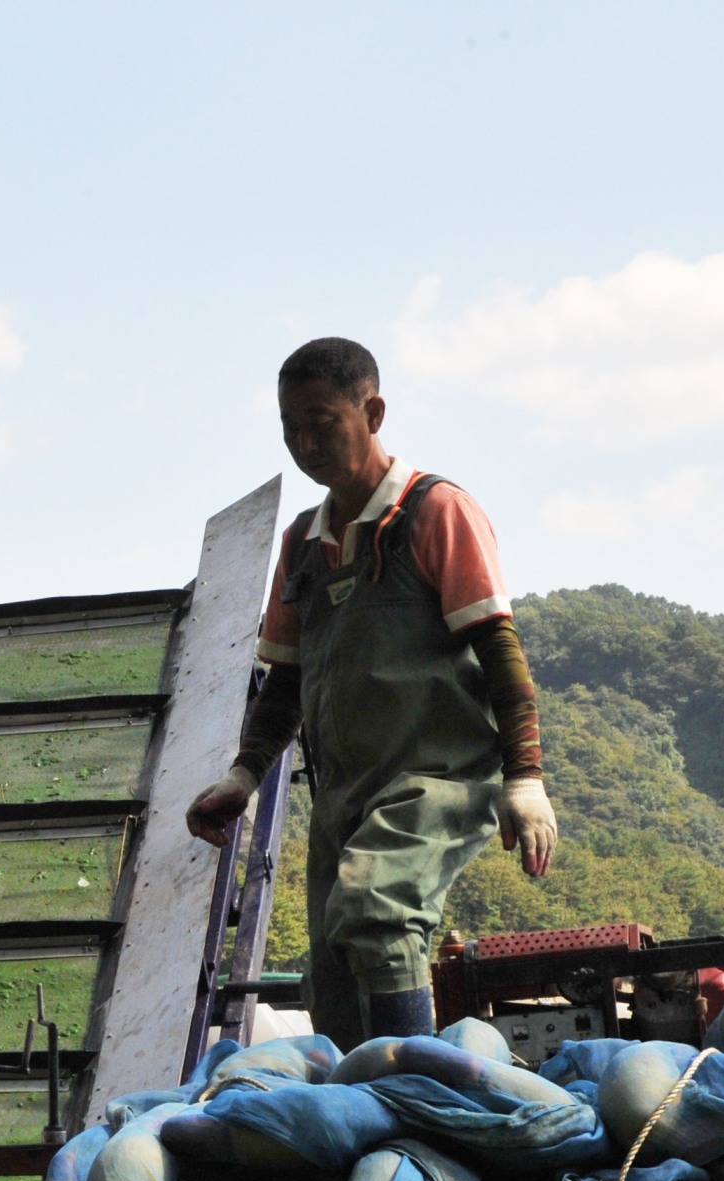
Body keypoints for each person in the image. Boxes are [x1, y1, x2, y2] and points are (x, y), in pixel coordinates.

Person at [186, 336, 559, 1049]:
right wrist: (242, 774)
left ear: (372, 410)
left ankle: (416, 1101)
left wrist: (526, 779)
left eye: (321, 421)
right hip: (343, 797)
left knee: (379, 911)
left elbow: (498, 648)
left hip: (435, 779)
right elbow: (286, 681)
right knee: (333, 983)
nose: (304, 441)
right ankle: (363, 1124)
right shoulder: (302, 543)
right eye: (289, 426)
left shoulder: (432, 510)